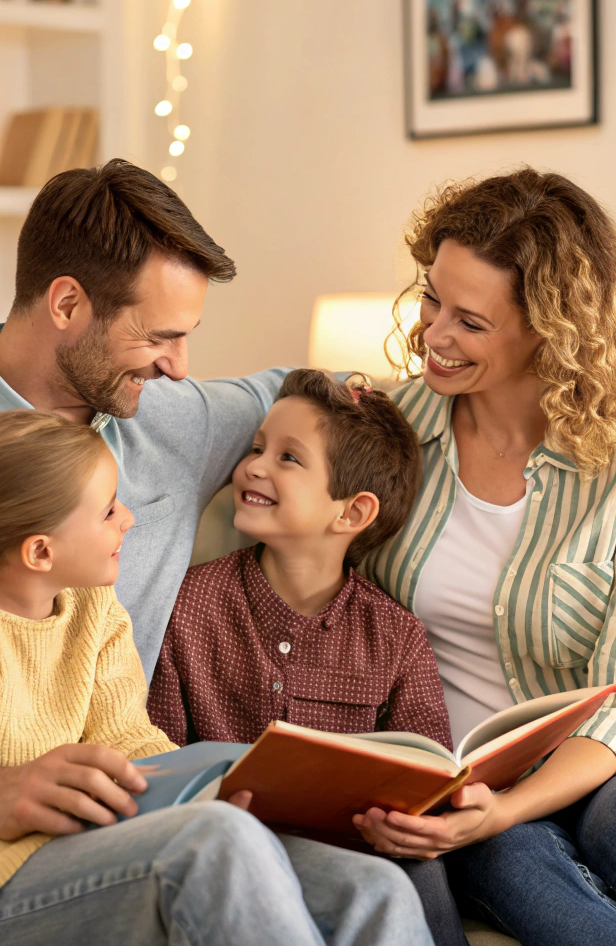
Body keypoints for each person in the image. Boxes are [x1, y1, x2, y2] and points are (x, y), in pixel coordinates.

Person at [0, 162, 433, 945]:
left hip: (102, 826)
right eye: (159, 336)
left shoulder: (165, 418)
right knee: (213, 847)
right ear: (67, 304)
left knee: (373, 889)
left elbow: (319, 398)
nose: (180, 366)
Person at [351, 168, 616, 946]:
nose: (432, 333)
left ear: (552, 331)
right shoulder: (389, 430)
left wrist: (511, 805)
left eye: (469, 322)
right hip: (472, 772)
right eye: (432, 298)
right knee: (507, 862)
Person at [148, 368, 467, 946]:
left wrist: (411, 820)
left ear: (351, 513)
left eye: (289, 458)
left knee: (420, 871)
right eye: (256, 448)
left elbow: (429, 774)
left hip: (356, 850)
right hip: (227, 844)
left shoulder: (395, 637)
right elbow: (156, 753)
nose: (254, 466)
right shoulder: (188, 604)